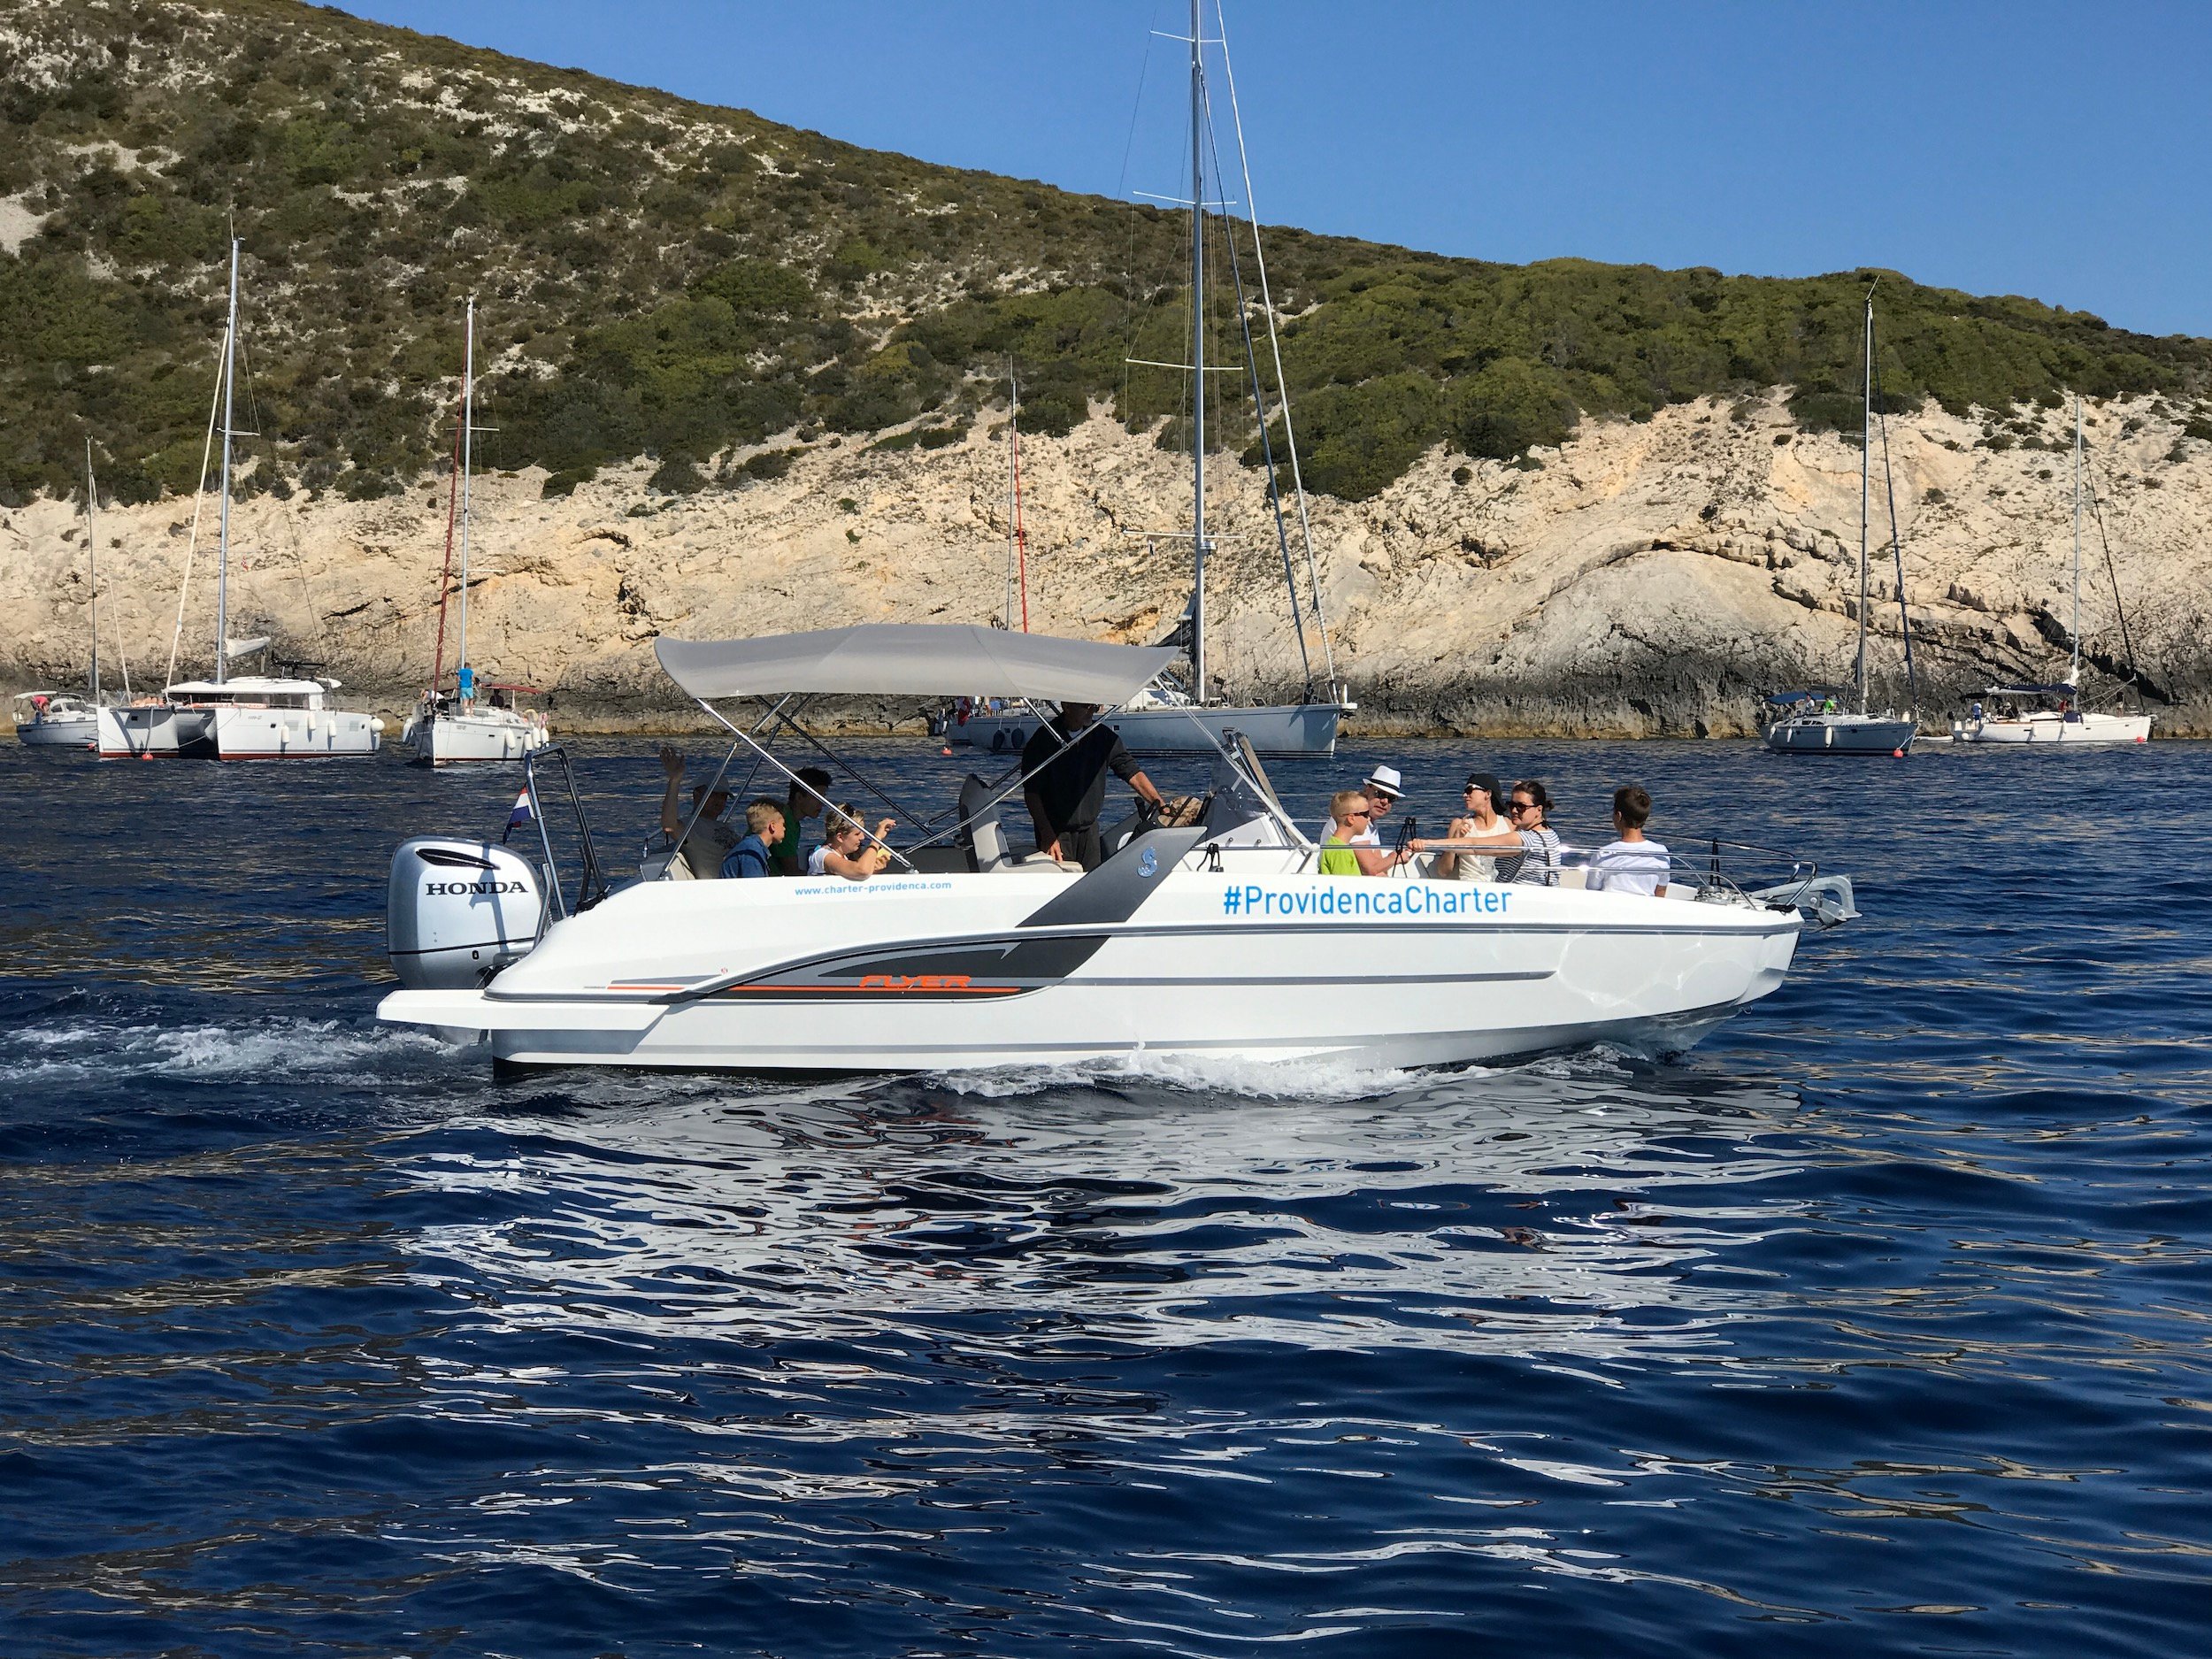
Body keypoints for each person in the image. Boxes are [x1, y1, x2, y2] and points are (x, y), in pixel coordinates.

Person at [1021, 702, 1166, 870]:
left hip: (1089, 831)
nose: (1092, 711)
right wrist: (1046, 833)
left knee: (1092, 882)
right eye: (1086, 707)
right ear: (1066, 706)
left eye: (1095, 707)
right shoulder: (1043, 740)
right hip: (1054, 831)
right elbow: (1032, 792)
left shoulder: (1103, 737)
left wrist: (1160, 804)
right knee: (1062, 886)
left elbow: (1131, 772)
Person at [659, 745, 741, 879]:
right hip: (720, 889)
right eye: (713, 794)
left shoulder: (726, 827)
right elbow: (669, 825)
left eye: (723, 796)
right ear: (697, 795)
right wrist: (675, 780)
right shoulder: (691, 827)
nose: (719, 800)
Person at [1416, 772, 1514, 880]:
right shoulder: (1458, 824)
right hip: (1470, 887)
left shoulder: (1508, 824)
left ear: (1488, 793)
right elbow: (1443, 872)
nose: (1465, 795)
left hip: (1500, 889)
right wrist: (1456, 838)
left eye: (1469, 790)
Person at [1588, 785, 1670, 897]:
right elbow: (1660, 892)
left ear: (1619, 816)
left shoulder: (1604, 854)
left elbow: (1592, 891)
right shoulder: (1661, 852)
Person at [807, 803, 896, 880]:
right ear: (840, 837)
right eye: (857, 834)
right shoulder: (822, 856)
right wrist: (877, 838)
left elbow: (859, 874)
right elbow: (861, 870)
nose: (862, 837)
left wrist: (873, 870)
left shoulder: (843, 857)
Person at [772, 766, 833, 875]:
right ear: (799, 797)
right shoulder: (785, 822)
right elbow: (791, 872)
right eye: (817, 797)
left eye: (823, 798)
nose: (822, 803)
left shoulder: (793, 821)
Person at [1500, 780, 1562, 886]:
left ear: (1539, 810)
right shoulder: (1550, 834)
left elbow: (1474, 846)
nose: (1514, 810)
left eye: (1521, 807)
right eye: (1511, 805)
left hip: (1517, 897)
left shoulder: (1526, 839)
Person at [720, 799, 784, 879]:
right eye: (783, 824)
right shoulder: (752, 852)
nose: (784, 829)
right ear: (772, 826)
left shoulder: (753, 846)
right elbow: (755, 888)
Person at [1317, 790, 1372, 875]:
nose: (1368, 819)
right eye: (1365, 814)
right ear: (1351, 819)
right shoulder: (1340, 851)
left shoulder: (1338, 846)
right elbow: (1345, 886)